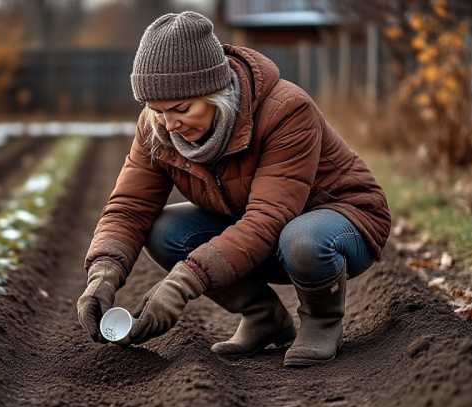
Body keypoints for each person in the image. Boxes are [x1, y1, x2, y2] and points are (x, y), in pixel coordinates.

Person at [77, 11, 391, 367]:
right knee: (165, 231)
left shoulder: (286, 111)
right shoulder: (159, 129)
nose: (170, 124)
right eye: (156, 110)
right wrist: (103, 274)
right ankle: (264, 318)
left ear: (217, 91)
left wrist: (182, 284)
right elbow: (129, 208)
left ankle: (322, 321)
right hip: (263, 229)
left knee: (301, 239)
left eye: (181, 108)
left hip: (341, 222)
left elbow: (268, 219)